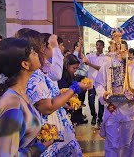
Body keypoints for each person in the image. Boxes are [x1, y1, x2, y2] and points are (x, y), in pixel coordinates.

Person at [16, 28, 92, 156]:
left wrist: (63, 99)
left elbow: (48, 96)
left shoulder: (38, 72)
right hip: (48, 129)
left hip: (57, 125)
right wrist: (75, 89)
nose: (40, 53)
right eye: (39, 49)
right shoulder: (33, 76)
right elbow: (46, 107)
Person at [0, 38, 52, 156]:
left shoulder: (20, 94)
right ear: (25, 64)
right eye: (33, 52)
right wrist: (38, 148)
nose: (37, 53)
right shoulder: (12, 104)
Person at [95, 30, 134, 157]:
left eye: (121, 48)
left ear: (127, 50)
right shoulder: (106, 66)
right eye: (116, 47)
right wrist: (103, 94)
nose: (118, 51)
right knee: (112, 142)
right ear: (112, 49)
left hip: (129, 108)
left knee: (128, 143)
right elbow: (99, 84)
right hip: (112, 107)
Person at [82, 40, 109, 127]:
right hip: (91, 82)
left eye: (100, 45)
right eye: (97, 45)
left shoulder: (105, 58)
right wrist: (80, 46)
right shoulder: (91, 56)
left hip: (101, 82)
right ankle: (94, 115)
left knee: (101, 101)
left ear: (103, 46)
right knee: (90, 101)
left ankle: (100, 118)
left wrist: (89, 64)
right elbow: (82, 58)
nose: (98, 47)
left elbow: (101, 69)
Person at [58, 54, 85, 124]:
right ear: (67, 66)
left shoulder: (71, 75)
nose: (75, 71)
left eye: (76, 68)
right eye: (74, 68)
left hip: (69, 106)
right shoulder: (61, 76)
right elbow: (62, 92)